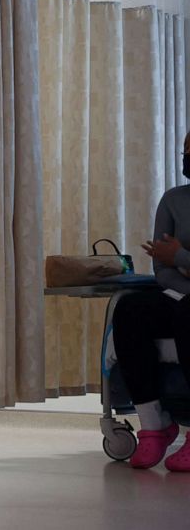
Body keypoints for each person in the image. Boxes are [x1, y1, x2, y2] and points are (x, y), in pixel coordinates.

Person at [113, 131, 190, 471]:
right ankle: (154, 424)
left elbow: (174, 255)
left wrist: (182, 256)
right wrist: (180, 268)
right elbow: (162, 265)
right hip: (180, 293)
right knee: (130, 309)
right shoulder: (173, 200)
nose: (188, 154)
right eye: (187, 149)